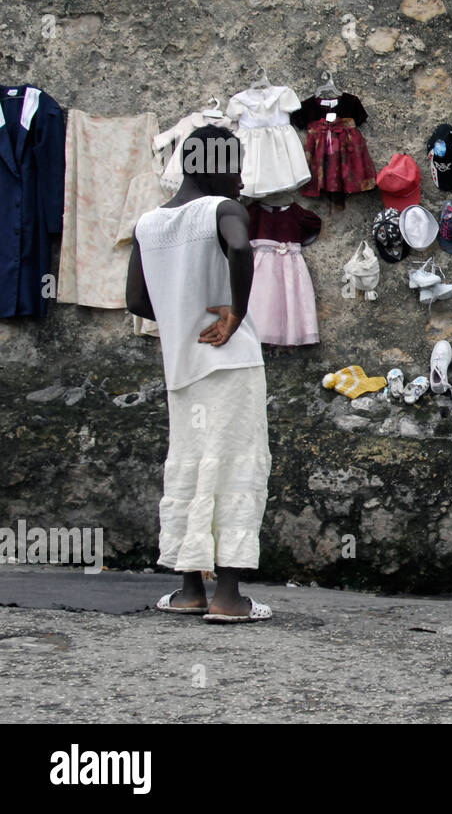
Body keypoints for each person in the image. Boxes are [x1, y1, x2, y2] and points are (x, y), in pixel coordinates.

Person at [126, 125, 273, 623]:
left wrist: (182, 313)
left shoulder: (149, 223)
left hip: (182, 369)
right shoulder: (222, 210)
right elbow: (240, 248)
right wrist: (234, 311)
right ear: (213, 165)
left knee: (190, 467)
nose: (240, 180)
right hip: (232, 363)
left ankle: (190, 591)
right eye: (234, 167)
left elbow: (136, 301)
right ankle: (229, 599)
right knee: (234, 465)